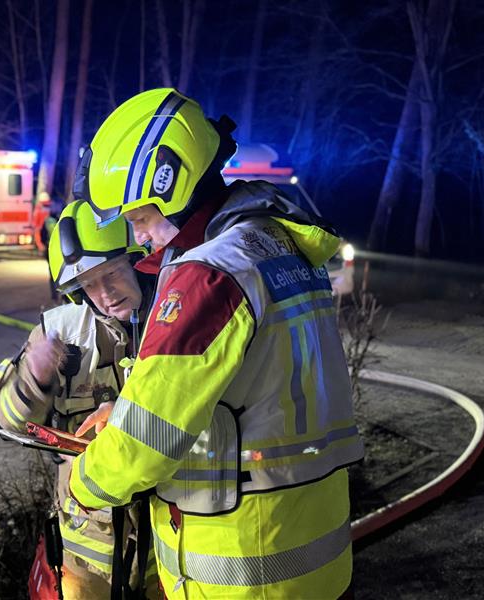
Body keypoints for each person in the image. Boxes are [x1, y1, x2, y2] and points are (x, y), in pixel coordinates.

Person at [68, 88, 365, 599]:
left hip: (245, 570)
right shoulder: (279, 247)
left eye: (139, 218)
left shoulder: (207, 275)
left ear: (171, 186)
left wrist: (82, 481)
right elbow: (255, 392)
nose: (139, 238)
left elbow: (144, 446)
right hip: (316, 560)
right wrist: (124, 408)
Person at [0, 201, 157, 599]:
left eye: (111, 274)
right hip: (86, 552)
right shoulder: (62, 331)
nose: (105, 295)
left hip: (165, 544)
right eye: (88, 285)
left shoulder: (174, 319)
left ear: (138, 261)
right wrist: (34, 378)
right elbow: (7, 423)